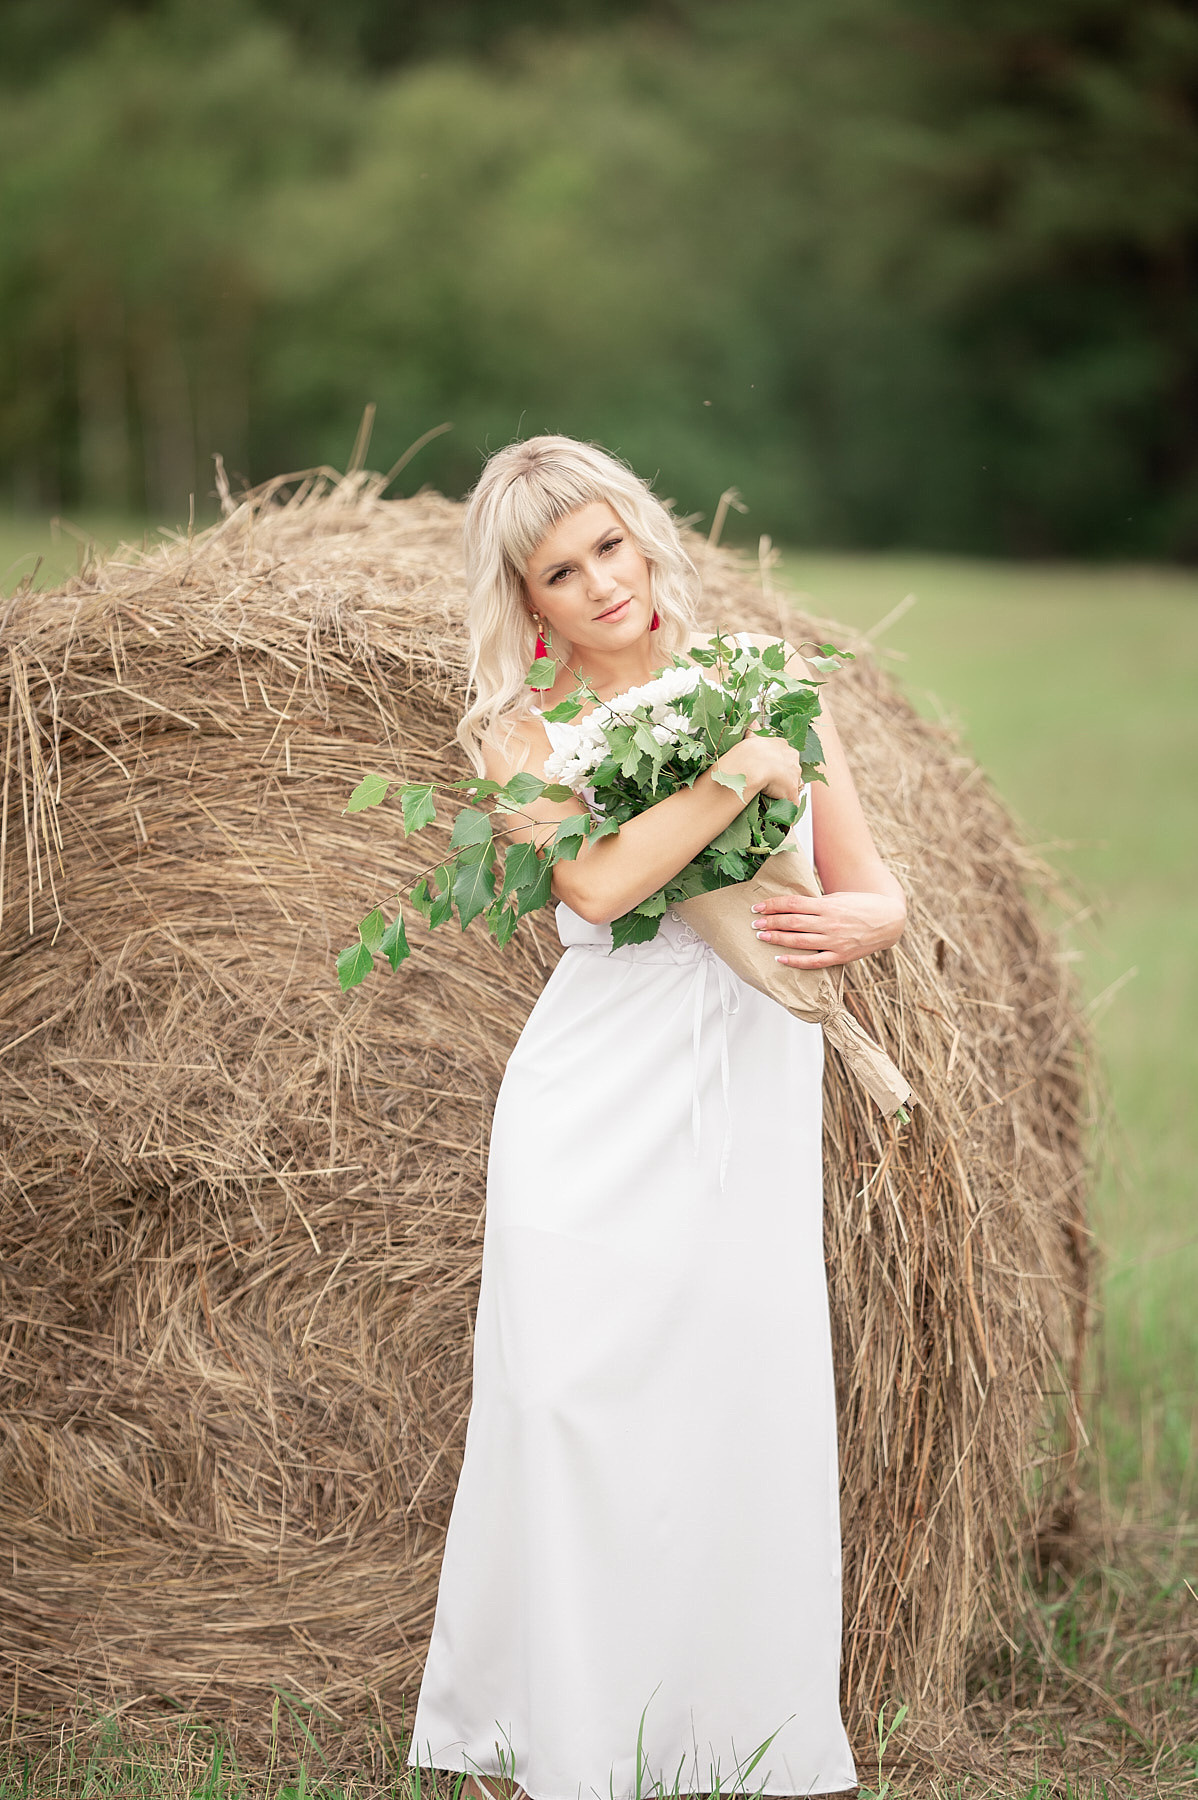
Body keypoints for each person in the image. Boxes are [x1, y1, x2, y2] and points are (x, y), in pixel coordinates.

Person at [407, 436, 906, 1800]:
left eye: (609, 546)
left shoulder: (762, 682)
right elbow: (598, 890)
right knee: (565, 1398)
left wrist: (857, 916)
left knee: (728, 1404)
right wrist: (733, 780)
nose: (600, 583)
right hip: (589, 1089)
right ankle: (569, 1745)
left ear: (642, 537)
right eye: (559, 572)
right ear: (527, 604)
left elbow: (875, 888)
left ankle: (718, 1741)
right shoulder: (518, 734)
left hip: (744, 1081)